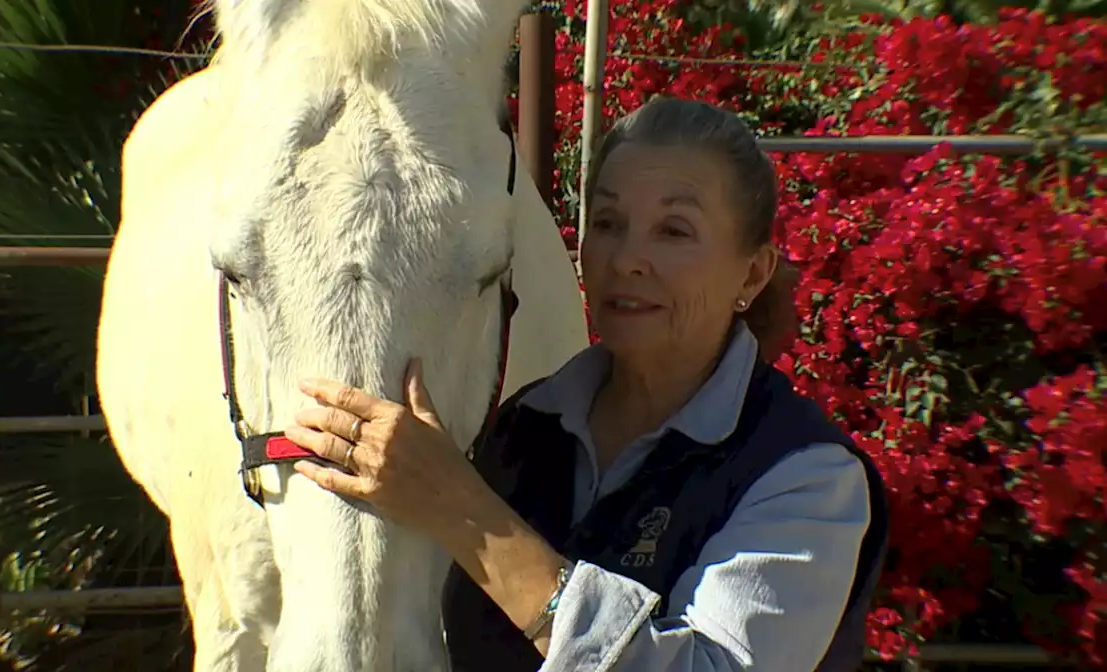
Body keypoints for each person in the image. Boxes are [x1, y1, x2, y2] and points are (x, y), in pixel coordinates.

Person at [283, 96, 889, 671]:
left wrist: (462, 510)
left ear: (752, 273)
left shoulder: (806, 478)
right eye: (607, 221)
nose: (626, 258)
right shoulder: (522, 429)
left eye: (673, 231)